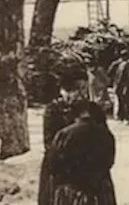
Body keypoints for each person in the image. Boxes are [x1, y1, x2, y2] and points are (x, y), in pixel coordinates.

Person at [47, 100, 118, 205]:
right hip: (99, 191)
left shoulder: (64, 134)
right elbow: (109, 161)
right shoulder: (107, 134)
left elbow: (53, 165)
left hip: (71, 192)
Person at [38, 72, 87, 205]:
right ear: (61, 91)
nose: (72, 95)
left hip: (85, 163)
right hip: (60, 163)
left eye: (76, 91)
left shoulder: (89, 109)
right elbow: (49, 142)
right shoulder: (53, 110)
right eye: (67, 91)